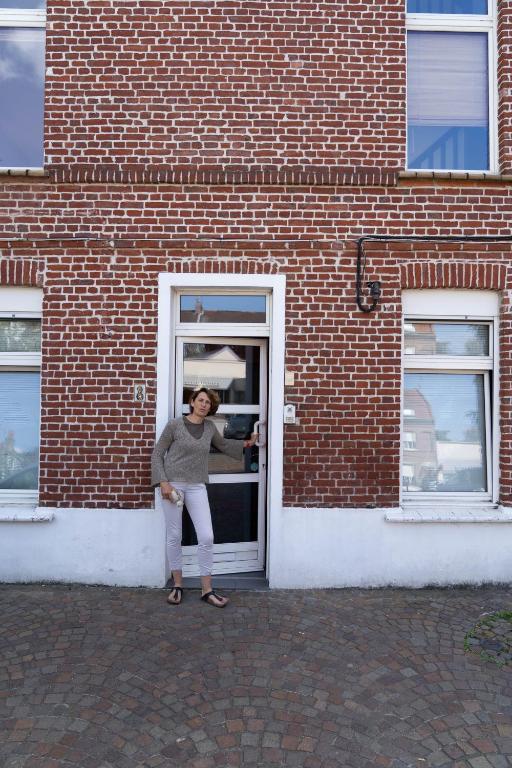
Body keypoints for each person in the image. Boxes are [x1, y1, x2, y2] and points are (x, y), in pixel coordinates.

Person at [151, 386, 258, 608]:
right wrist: (163, 482)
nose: (203, 405)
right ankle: (177, 585)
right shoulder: (175, 424)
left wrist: (249, 442)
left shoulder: (209, 427)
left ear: (211, 407)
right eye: (200, 400)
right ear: (192, 401)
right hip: (173, 486)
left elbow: (225, 445)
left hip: (197, 485)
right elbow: (158, 453)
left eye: (208, 403)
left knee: (207, 536)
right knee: (174, 535)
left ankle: (207, 589)